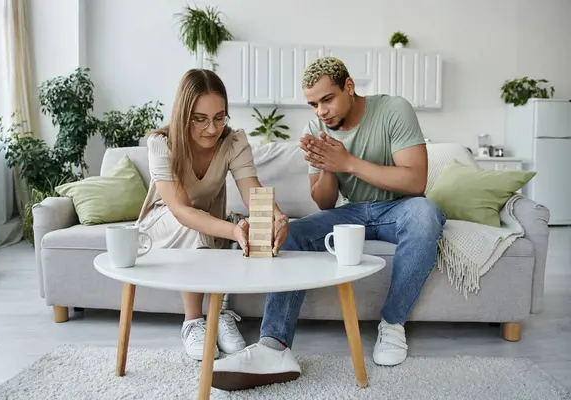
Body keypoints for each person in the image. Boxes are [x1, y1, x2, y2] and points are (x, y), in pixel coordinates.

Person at [211, 57, 446, 390]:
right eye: (313, 104)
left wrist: (347, 161)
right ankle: (274, 346)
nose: (320, 111)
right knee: (292, 233)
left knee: (426, 213)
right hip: (351, 214)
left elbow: (415, 182)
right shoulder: (315, 129)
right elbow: (323, 202)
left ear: (349, 87)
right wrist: (329, 167)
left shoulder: (394, 110)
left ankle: (392, 325)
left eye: (327, 99)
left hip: (399, 209)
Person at [136, 68, 290, 361]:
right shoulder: (161, 143)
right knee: (202, 227)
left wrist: (278, 217)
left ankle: (218, 315)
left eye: (220, 117)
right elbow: (180, 209)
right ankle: (193, 321)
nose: (212, 128)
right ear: (184, 115)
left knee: (236, 226)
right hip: (164, 223)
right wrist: (231, 231)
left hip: (206, 220)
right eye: (200, 119)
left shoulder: (233, 142)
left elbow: (251, 190)